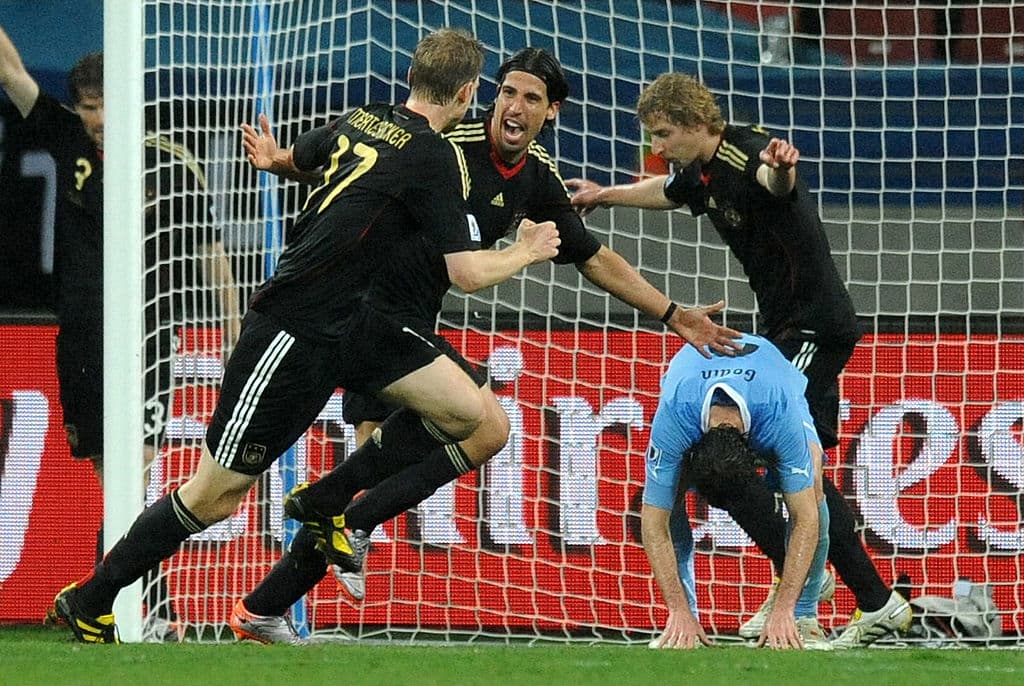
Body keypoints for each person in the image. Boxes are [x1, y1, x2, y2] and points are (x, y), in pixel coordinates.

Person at [48, 27, 564, 645]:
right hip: (293, 327)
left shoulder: (366, 118)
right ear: (468, 91)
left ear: (409, 78)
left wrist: (275, 161)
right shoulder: (433, 156)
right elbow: (466, 273)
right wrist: (527, 251)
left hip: (355, 323)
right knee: (216, 496)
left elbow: (310, 154)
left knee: (471, 413)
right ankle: (92, 598)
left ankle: (327, 502)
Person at [225, 47, 743, 644]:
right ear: (488, 95)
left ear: (551, 112)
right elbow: (349, 161)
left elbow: (592, 257)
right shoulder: (443, 142)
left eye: (530, 98)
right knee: (466, 429)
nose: (514, 107)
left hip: (406, 330)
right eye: (507, 92)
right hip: (363, 321)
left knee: (474, 435)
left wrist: (673, 313)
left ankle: (273, 594)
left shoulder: (535, 176)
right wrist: (283, 162)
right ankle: (326, 520)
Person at [566, 71, 911, 648]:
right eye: (652, 135)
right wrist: (604, 195)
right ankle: (873, 601)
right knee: (803, 475)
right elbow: (669, 191)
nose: (656, 147)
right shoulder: (700, 170)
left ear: (699, 122)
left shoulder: (744, 151)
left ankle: (803, 594)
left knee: (728, 463)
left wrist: (783, 166)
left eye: (664, 132)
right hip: (787, 327)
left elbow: (773, 180)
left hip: (813, 327)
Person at [0, 26, 241, 641]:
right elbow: (13, 70)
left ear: (130, 99)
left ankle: (134, 608)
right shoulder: (63, 135)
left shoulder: (169, 158)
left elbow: (211, 251)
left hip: (151, 335)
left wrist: (237, 325)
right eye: (89, 107)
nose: (99, 119)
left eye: (108, 105)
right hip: (81, 340)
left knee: (137, 475)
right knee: (117, 487)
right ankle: (122, 604)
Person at [642, 333, 831, 650]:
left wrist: (784, 610)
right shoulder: (675, 415)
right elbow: (652, 521)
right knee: (667, 503)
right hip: (691, 386)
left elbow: (805, 519)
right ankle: (684, 620)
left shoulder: (777, 414)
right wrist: (678, 610)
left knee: (811, 479)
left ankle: (803, 615)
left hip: (776, 378)